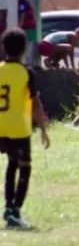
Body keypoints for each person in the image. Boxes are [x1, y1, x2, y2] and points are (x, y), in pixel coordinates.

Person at [0, 28, 50, 228]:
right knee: (24, 166)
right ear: (24, 50)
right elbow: (36, 102)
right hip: (17, 128)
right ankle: (15, 209)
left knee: (12, 164)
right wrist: (44, 129)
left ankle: (8, 207)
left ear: (3, 48)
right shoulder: (26, 72)